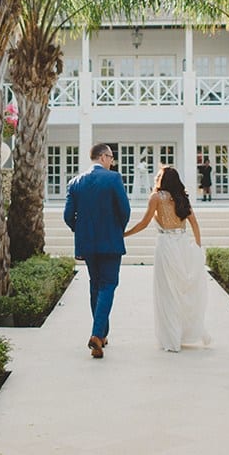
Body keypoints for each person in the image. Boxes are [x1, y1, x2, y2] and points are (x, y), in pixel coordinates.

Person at [124, 166, 211, 352]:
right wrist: (197, 247)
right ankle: (182, 333)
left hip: (166, 245)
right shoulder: (181, 196)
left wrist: (124, 234)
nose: (156, 176)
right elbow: (194, 223)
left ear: (162, 179)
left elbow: (144, 223)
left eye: (159, 174)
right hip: (182, 244)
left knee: (167, 291)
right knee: (181, 290)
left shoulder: (156, 198)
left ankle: (172, 337)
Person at [64, 143, 131, 359]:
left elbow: (68, 216)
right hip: (110, 242)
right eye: (111, 157)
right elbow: (125, 210)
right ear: (103, 157)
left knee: (96, 284)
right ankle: (96, 334)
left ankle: (101, 334)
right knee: (109, 284)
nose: (112, 162)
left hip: (88, 244)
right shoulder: (113, 178)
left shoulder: (75, 182)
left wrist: (82, 230)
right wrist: (116, 230)